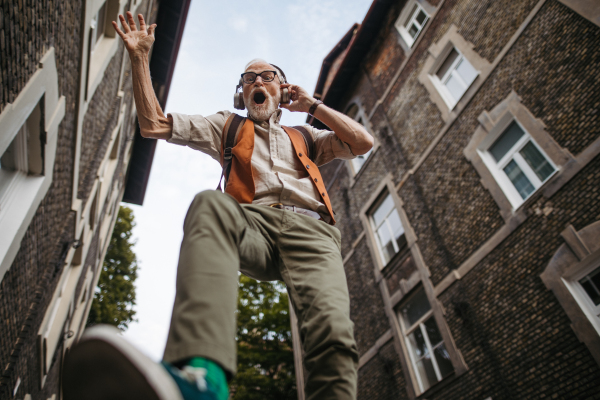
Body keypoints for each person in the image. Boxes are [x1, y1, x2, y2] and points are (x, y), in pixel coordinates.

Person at [63, 11, 373, 400]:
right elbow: (153, 124)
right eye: (248, 79)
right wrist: (140, 57)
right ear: (241, 93)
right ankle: (201, 379)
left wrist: (313, 105)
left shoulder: (306, 135)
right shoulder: (227, 125)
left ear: (283, 90)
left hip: (313, 233)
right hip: (253, 225)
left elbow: (362, 143)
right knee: (210, 203)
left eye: (267, 77)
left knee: (331, 330)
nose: (257, 82)